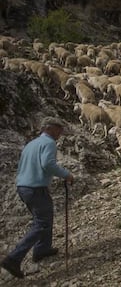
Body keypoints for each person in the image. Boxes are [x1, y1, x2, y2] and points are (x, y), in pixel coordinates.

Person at [0, 116, 74, 279]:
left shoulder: (31, 144)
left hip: (23, 187)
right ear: (49, 128)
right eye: (59, 129)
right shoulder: (48, 143)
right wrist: (66, 175)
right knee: (42, 223)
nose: (60, 133)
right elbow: (47, 163)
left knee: (43, 217)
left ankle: (42, 249)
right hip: (36, 188)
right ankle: (13, 258)